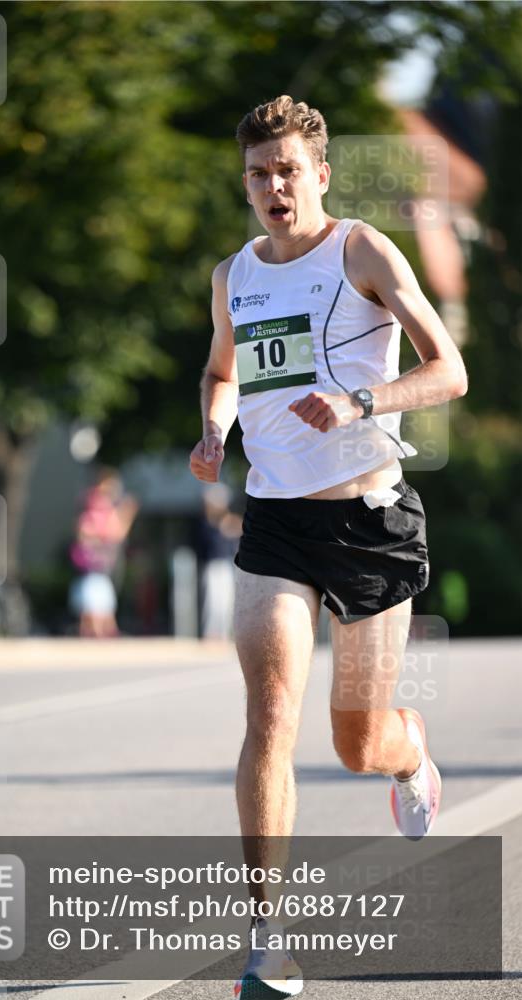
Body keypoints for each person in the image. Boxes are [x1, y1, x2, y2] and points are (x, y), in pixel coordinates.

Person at [189, 96, 467, 999]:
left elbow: (448, 371)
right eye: (257, 175)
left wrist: (359, 402)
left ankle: (407, 746)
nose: (273, 187)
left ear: (320, 175)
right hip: (275, 523)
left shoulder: (361, 253)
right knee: (268, 718)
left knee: (356, 743)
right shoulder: (236, 275)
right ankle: (268, 938)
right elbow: (221, 369)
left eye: (287, 172)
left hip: (369, 523)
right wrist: (212, 430)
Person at [69, 468, 138, 638]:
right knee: (96, 609)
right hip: (92, 566)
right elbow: (100, 532)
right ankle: (98, 635)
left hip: (100, 567)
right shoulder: (94, 505)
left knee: (99, 609)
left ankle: (98, 635)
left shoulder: (104, 508)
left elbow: (115, 533)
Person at [195, 483, 242, 639]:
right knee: (213, 603)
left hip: (227, 565)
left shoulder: (227, 520)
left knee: (226, 603)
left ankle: (223, 634)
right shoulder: (206, 521)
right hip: (213, 566)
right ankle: (211, 634)